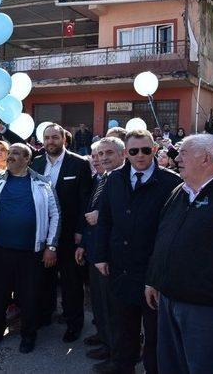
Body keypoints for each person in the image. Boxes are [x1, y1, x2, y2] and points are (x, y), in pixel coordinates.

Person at [92, 129, 181, 374]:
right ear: (127, 154)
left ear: (154, 150)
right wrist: (100, 255)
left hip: (153, 270)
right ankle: (124, 367)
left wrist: (160, 269)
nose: (140, 155)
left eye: (145, 150)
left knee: (154, 332)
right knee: (123, 327)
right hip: (120, 267)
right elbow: (105, 220)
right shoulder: (114, 179)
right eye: (134, 151)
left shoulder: (172, 182)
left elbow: (172, 231)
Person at [0, 143, 59, 353]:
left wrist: (51, 245)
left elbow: (56, 214)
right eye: (10, 153)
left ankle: (28, 335)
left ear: (27, 159)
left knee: (29, 297)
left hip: (30, 253)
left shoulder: (42, 183)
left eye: (16, 153)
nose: (10, 156)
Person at [145, 134, 213, 374]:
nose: (176, 157)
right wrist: (153, 278)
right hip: (169, 298)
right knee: (171, 365)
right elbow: (163, 239)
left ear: (206, 158)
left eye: (184, 153)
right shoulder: (180, 191)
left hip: (208, 308)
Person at [33, 123, 92, 342]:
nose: (50, 142)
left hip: (68, 234)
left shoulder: (79, 164)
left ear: (63, 139)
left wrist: (80, 231)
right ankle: (46, 315)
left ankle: (74, 323)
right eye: (47, 138)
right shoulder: (36, 163)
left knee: (71, 283)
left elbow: (85, 200)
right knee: (44, 278)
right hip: (42, 233)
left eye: (54, 137)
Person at [76, 137, 125, 364]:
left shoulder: (124, 179)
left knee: (113, 306)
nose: (102, 158)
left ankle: (116, 351)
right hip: (95, 249)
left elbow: (127, 217)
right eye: (99, 155)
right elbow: (91, 213)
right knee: (99, 300)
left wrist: (102, 217)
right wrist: (84, 245)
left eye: (108, 154)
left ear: (122, 155)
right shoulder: (102, 178)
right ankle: (104, 338)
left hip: (110, 255)